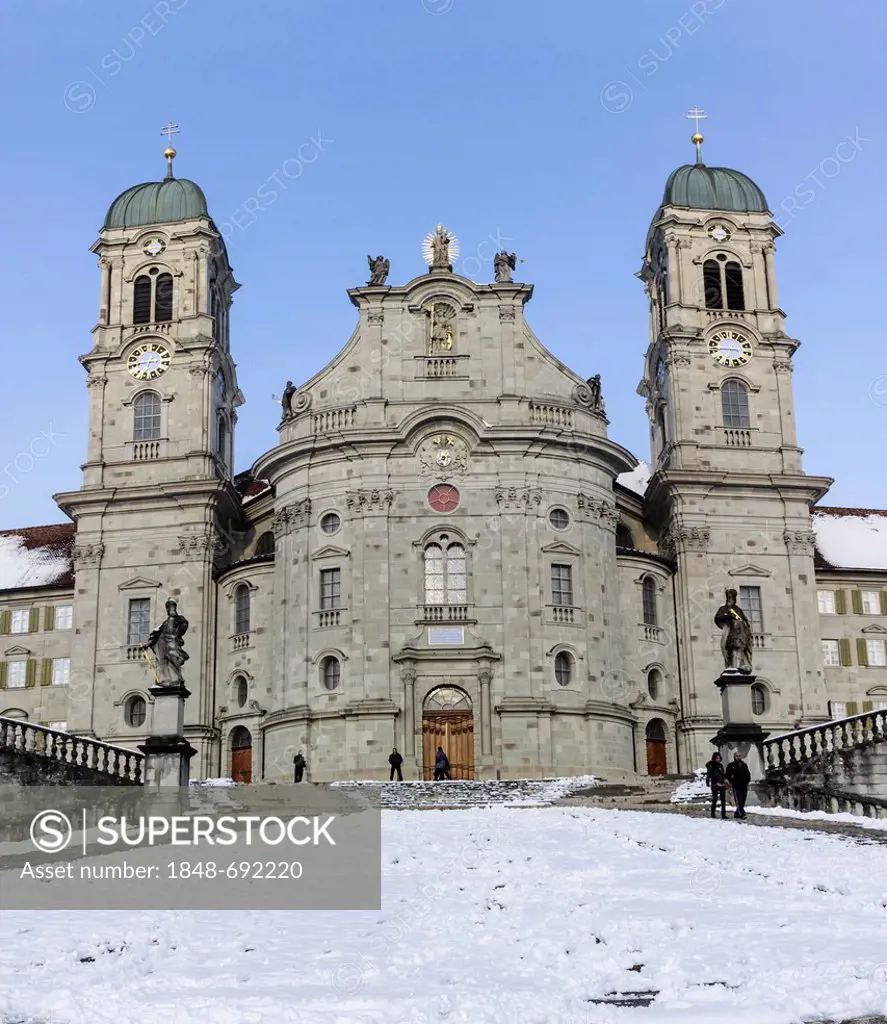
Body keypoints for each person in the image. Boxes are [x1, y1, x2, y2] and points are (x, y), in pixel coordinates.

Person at [726, 751, 751, 819]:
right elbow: (727, 775)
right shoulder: (731, 765)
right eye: (737, 756)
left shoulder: (744, 765)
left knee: (743, 800)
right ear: (734, 757)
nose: (738, 757)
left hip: (744, 785)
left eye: (739, 755)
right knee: (739, 800)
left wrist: (748, 780)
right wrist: (731, 779)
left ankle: (737, 813)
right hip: (736, 786)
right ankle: (742, 814)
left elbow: (748, 774)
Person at [704, 751, 728, 819]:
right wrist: (707, 781)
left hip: (722, 784)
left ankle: (723, 814)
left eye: (719, 758)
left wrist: (725, 779)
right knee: (715, 799)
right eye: (717, 758)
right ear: (714, 758)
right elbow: (709, 774)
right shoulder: (711, 766)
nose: (718, 759)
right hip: (715, 784)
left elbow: (723, 774)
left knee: (723, 800)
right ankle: (712, 813)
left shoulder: (721, 765)